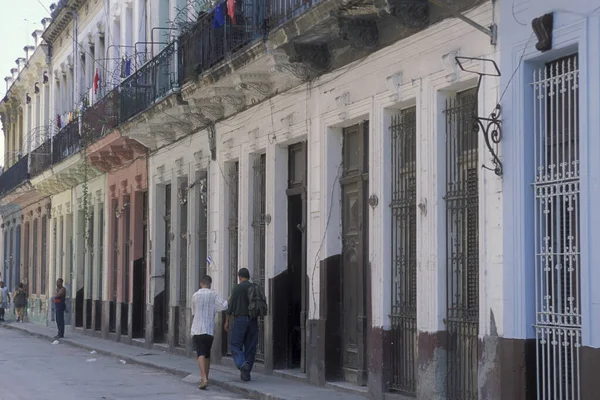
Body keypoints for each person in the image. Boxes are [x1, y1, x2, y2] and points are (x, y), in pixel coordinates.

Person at [191, 275, 228, 390]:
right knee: (207, 354)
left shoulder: (195, 295)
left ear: (201, 283)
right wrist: (230, 298)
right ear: (210, 284)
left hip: (197, 328)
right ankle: (205, 377)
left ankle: (204, 378)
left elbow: (193, 311)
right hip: (209, 329)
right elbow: (223, 306)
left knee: (200, 353)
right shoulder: (213, 295)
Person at [224, 268, 258, 382]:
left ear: (240, 277)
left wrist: (227, 321)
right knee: (250, 347)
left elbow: (231, 307)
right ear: (248, 276)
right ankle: (246, 374)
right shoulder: (255, 287)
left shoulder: (237, 288)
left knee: (235, 345)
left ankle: (242, 364)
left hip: (240, 319)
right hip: (253, 320)